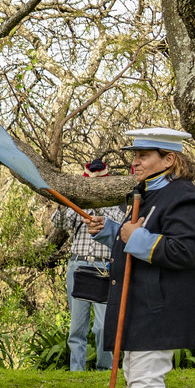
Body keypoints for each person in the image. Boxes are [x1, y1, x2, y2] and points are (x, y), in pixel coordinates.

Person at [88, 128, 195, 388]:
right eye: (134, 155)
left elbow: (183, 252)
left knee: (146, 380)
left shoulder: (185, 198)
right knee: (136, 375)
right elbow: (136, 237)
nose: (134, 161)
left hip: (160, 306)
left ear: (169, 159)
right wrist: (111, 231)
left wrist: (131, 236)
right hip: (142, 303)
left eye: (143, 155)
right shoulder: (149, 195)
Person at [57, 159, 126, 372]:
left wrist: (99, 209)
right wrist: (69, 203)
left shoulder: (117, 204)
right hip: (78, 265)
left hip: (104, 267)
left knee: (103, 326)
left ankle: (103, 369)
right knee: (77, 326)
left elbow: (120, 226)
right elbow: (60, 223)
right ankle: (77, 371)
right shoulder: (76, 203)